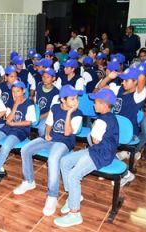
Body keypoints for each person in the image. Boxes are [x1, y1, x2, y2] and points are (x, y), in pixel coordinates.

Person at [13, 85, 83, 217]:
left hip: (64, 142)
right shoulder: (55, 108)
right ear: (63, 99)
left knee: (53, 158)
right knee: (25, 149)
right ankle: (29, 181)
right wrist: (47, 134)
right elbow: (49, 124)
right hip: (51, 138)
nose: (76, 101)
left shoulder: (77, 113)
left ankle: (52, 196)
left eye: (76, 98)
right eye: (73, 98)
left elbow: (68, 132)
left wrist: (69, 113)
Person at [54, 88, 119, 228]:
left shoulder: (102, 120)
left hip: (100, 155)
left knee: (73, 176)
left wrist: (94, 126)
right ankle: (73, 197)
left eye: (95, 102)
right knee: (65, 162)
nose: (93, 105)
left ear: (104, 104)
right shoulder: (109, 117)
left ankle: (74, 213)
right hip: (96, 151)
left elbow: (95, 140)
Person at [98, 67, 146, 186]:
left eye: (126, 80)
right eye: (122, 80)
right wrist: (109, 77)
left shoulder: (138, 95)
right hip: (114, 127)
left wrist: (133, 70)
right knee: (97, 141)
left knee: (105, 146)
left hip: (127, 131)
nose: (123, 82)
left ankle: (126, 174)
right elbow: (100, 87)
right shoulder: (119, 89)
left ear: (135, 81)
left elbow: (142, 77)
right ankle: (114, 161)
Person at [0, 81, 36, 190]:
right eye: (13, 92)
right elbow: (8, 121)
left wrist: (14, 123)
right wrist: (15, 106)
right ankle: (1, 170)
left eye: (18, 91)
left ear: (23, 91)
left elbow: (29, 122)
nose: (15, 94)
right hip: (8, 128)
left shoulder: (29, 104)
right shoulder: (10, 103)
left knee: (6, 146)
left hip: (20, 131)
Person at [34, 67, 60, 137]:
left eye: (47, 77)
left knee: (42, 128)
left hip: (48, 116)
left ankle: (43, 141)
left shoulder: (56, 92)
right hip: (37, 114)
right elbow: (35, 103)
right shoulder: (39, 87)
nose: (44, 79)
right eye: (43, 76)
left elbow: (53, 110)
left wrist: (39, 117)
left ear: (53, 78)